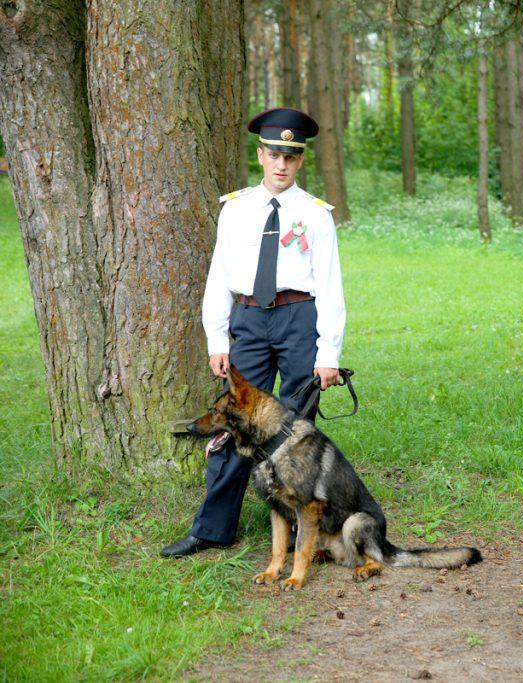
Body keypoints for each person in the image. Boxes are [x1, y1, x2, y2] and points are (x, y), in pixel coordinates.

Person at [161, 107, 346, 557]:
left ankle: (305, 528)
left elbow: (330, 284)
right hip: (248, 319)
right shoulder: (236, 210)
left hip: (299, 318)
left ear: (299, 161)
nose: (282, 164)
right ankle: (213, 528)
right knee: (234, 423)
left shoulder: (316, 215)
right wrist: (217, 339)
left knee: (297, 429)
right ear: (260, 155)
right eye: (274, 154)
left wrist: (329, 353)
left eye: (291, 156)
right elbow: (218, 276)